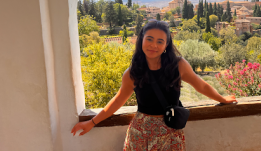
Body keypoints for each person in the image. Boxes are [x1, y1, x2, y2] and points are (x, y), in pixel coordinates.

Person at [71, 20, 237, 150]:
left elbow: (201, 85)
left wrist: (222, 98)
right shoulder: (132, 73)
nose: (154, 45)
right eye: (149, 39)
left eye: (160, 41)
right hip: (141, 133)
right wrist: (92, 122)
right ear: (141, 39)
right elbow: (118, 100)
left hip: (170, 131)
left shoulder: (178, 65)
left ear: (166, 45)